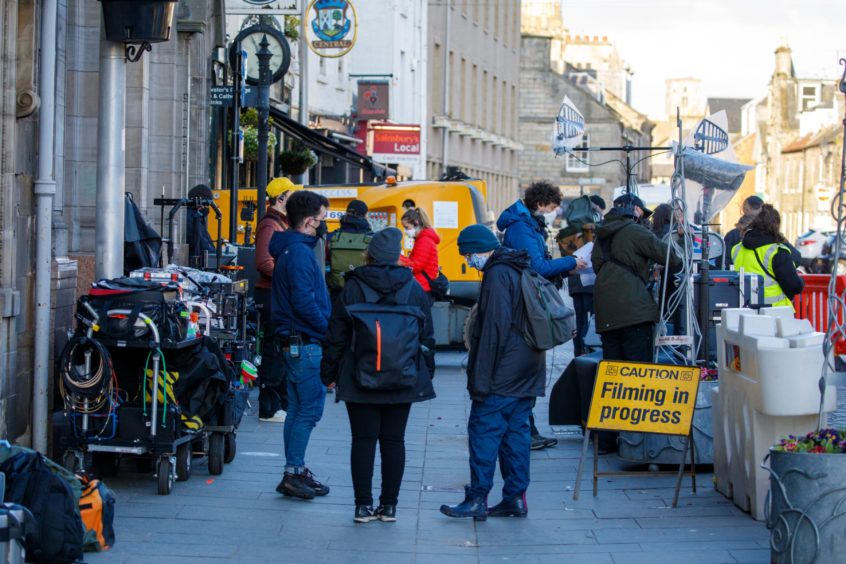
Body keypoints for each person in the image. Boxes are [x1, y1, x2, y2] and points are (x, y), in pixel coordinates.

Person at [322, 228, 436, 523]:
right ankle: (390, 506)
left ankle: (362, 506)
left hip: (360, 373)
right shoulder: (413, 288)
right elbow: (427, 337)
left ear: (369, 254)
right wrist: (427, 372)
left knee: (362, 440)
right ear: (397, 256)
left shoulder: (353, 286)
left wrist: (329, 373)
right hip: (403, 374)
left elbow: (336, 334)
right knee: (394, 441)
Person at [440, 225, 545, 520]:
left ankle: (477, 498)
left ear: (481, 249)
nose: (469, 261)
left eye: (469, 255)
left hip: (503, 372)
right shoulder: (518, 266)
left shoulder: (498, 274)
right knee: (515, 436)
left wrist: (480, 381)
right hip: (527, 367)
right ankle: (515, 498)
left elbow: (493, 332)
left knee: (484, 432)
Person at [496, 180, 587, 450]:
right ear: (539, 204)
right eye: (551, 206)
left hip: (526, 299)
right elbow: (536, 266)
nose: (553, 211)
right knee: (528, 367)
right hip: (526, 303)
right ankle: (524, 431)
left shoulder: (527, 223)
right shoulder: (523, 227)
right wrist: (570, 262)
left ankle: (527, 429)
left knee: (528, 367)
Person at [269, 190, 332, 500]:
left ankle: (294, 471)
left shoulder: (291, 251)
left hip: (296, 342)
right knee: (307, 411)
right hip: (306, 344)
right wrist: (328, 331)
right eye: (322, 219)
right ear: (309, 221)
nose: (324, 225)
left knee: (296, 410)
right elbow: (304, 302)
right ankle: (293, 472)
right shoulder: (300, 254)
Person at [592, 193, 678, 363]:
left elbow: (598, 267)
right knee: (638, 372)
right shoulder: (635, 230)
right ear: (636, 210)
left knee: (613, 372)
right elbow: (671, 257)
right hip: (634, 313)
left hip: (606, 312)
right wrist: (680, 239)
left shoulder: (601, 234)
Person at [255, 177, 300, 423]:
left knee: (280, 348)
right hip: (271, 295)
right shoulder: (270, 224)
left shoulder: (281, 222)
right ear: (282, 197)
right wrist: (287, 276)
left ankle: (278, 404)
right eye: (292, 195)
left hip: (277, 294)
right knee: (274, 350)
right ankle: (269, 408)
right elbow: (263, 261)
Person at [730, 204, 804, 310]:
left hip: (744, 311)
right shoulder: (777, 252)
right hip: (775, 313)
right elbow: (794, 286)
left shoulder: (737, 249)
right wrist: (801, 282)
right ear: (776, 226)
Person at [326, 199, 373, 301]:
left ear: (346, 213)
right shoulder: (373, 239)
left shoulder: (331, 237)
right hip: (364, 295)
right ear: (365, 215)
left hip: (337, 293)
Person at [400, 208, 440, 303]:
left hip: (422, 287)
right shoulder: (422, 239)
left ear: (416, 223)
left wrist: (397, 258)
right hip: (422, 286)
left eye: (407, 227)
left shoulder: (424, 241)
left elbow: (416, 265)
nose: (405, 231)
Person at [724, 196, 764, 267]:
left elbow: (725, 262)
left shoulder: (733, 235)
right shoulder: (771, 234)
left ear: (745, 209)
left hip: (738, 276)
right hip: (764, 277)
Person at [185, 184, 215, 266]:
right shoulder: (193, 218)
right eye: (206, 204)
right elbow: (203, 243)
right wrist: (215, 256)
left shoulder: (196, 216)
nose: (206, 207)